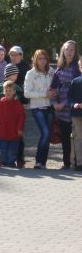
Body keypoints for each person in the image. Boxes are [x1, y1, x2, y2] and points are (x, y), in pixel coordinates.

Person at [50, 40, 80, 170]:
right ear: (63, 51)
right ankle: (66, 163)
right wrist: (55, 103)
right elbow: (53, 88)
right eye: (67, 49)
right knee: (65, 137)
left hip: (74, 109)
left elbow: (76, 91)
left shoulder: (77, 69)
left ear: (75, 52)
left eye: (72, 49)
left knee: (77, 137)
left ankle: (78, 162)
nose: (69, 52)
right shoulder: (59, 69)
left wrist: (64, 103)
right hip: (60, 110)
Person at [24, 50, 56, 169]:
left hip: (50, 107)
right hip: (37, 107)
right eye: (39, 58)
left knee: (47, 135)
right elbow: (27, 93)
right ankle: (38, 161)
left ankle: (42, 162)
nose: (42, 61)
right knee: (45, 133)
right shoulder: (30, 74)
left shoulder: (52, 72)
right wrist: (44, 94)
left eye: (44, 58)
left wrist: (55, 93)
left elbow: (56, 86)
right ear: (35, 60)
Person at [0, 64, 28, 168]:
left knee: (13, 150)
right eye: (6, 91)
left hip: (14, 133)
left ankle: (11, 162)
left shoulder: (17, 104)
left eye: (10, 91)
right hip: (2, 131)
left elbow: (21, 117)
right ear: (3, 92)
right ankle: (2, 162)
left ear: (14, 92)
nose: (8, 93)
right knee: (3, 150)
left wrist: (20, 129)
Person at [68, 56, 82, 171]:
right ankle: (79, 163)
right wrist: (74, 104)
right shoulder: (75, 81)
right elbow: (69, 97)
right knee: (78, 138)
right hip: (77, 114)